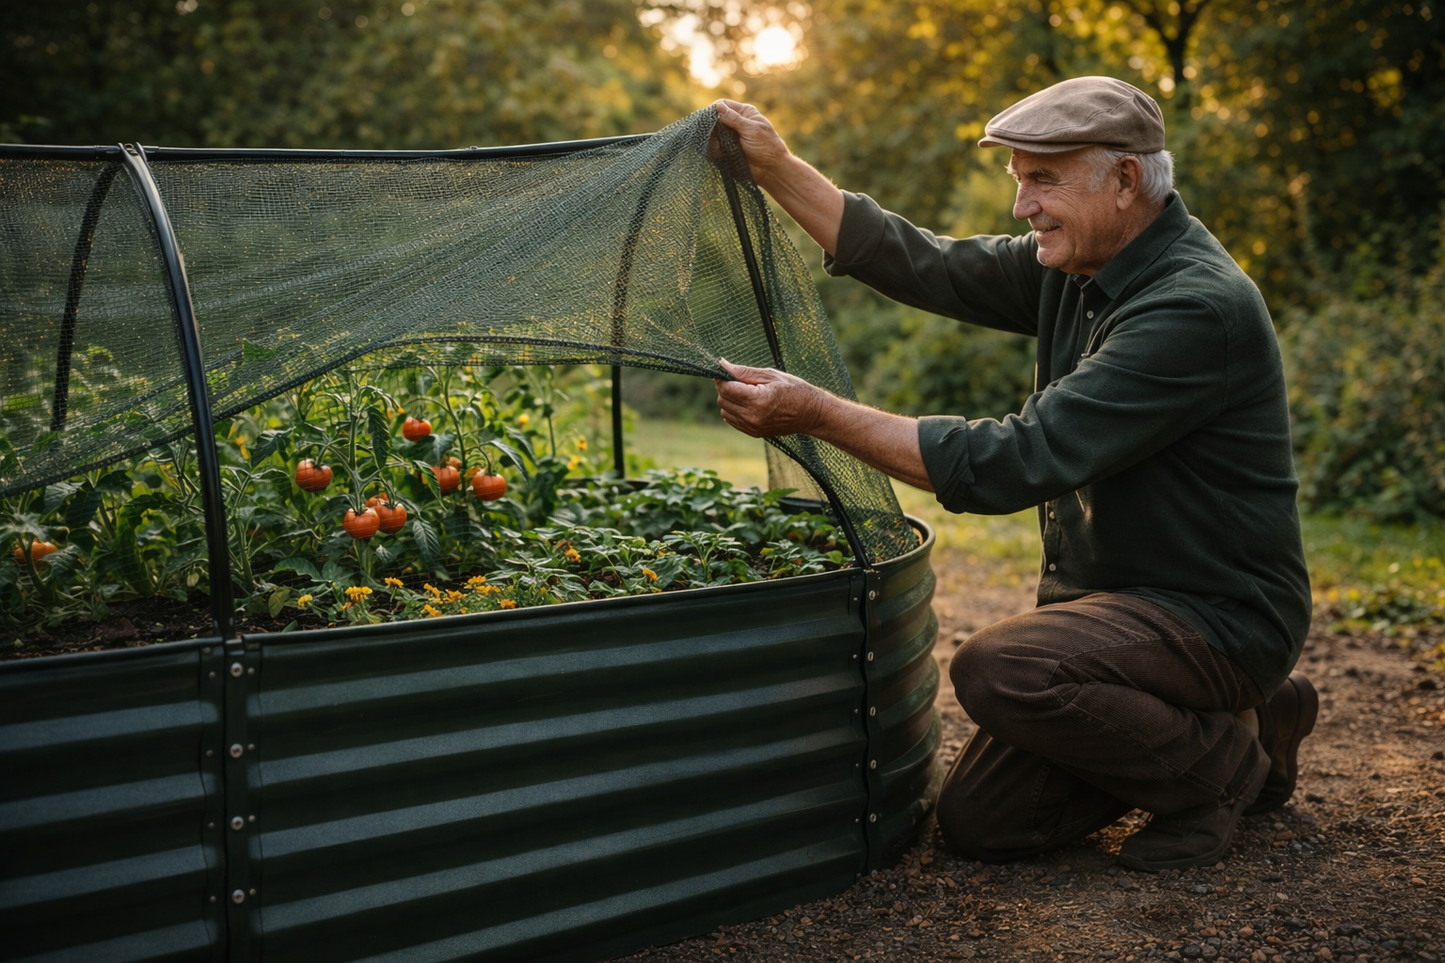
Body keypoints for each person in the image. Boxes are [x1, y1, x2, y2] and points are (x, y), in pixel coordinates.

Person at [711, 76, 1318, 872]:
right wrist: (776, 167)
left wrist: (816, 413)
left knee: (1002, 666)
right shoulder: (1078, 265)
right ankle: (1252, 713)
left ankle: (1225, 767)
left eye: (1042, 180)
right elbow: (922, 262)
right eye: (1018, 180)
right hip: (1124, 612)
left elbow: (1012, 460)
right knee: (985, 823)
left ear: (1126, 179)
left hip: (1217, 612)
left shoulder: (1190, 308)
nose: (1021, 206)